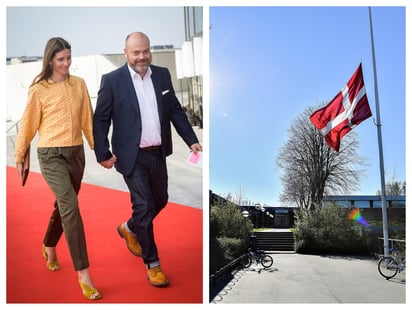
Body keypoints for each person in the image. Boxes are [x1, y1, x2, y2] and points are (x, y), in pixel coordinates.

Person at [93, 31, 202, 287]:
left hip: (157, 153)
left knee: (160, 201)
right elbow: (101, 118)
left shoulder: (162, 74)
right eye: (136, 52)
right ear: (126, 53)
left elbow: (174, 109)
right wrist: (103, 152)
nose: (142, 57)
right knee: (143, 206)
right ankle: (153, 264)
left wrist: (190, 139)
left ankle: (130, 228)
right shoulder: (112, 81)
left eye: (145, 51)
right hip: (131, 156)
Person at [14, 37, 101, 300]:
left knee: (63, 206)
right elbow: (27, 124)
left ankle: (49, 245)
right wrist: (20, 156)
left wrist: (100, 149)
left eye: (68, 58)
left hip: (76, 154)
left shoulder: (79, 85)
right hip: (50, 155)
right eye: (61, 59)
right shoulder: (39, 89)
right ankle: (84, 273)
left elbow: (88, 118)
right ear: (50, 60)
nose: (66, 63)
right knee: (71, 206)